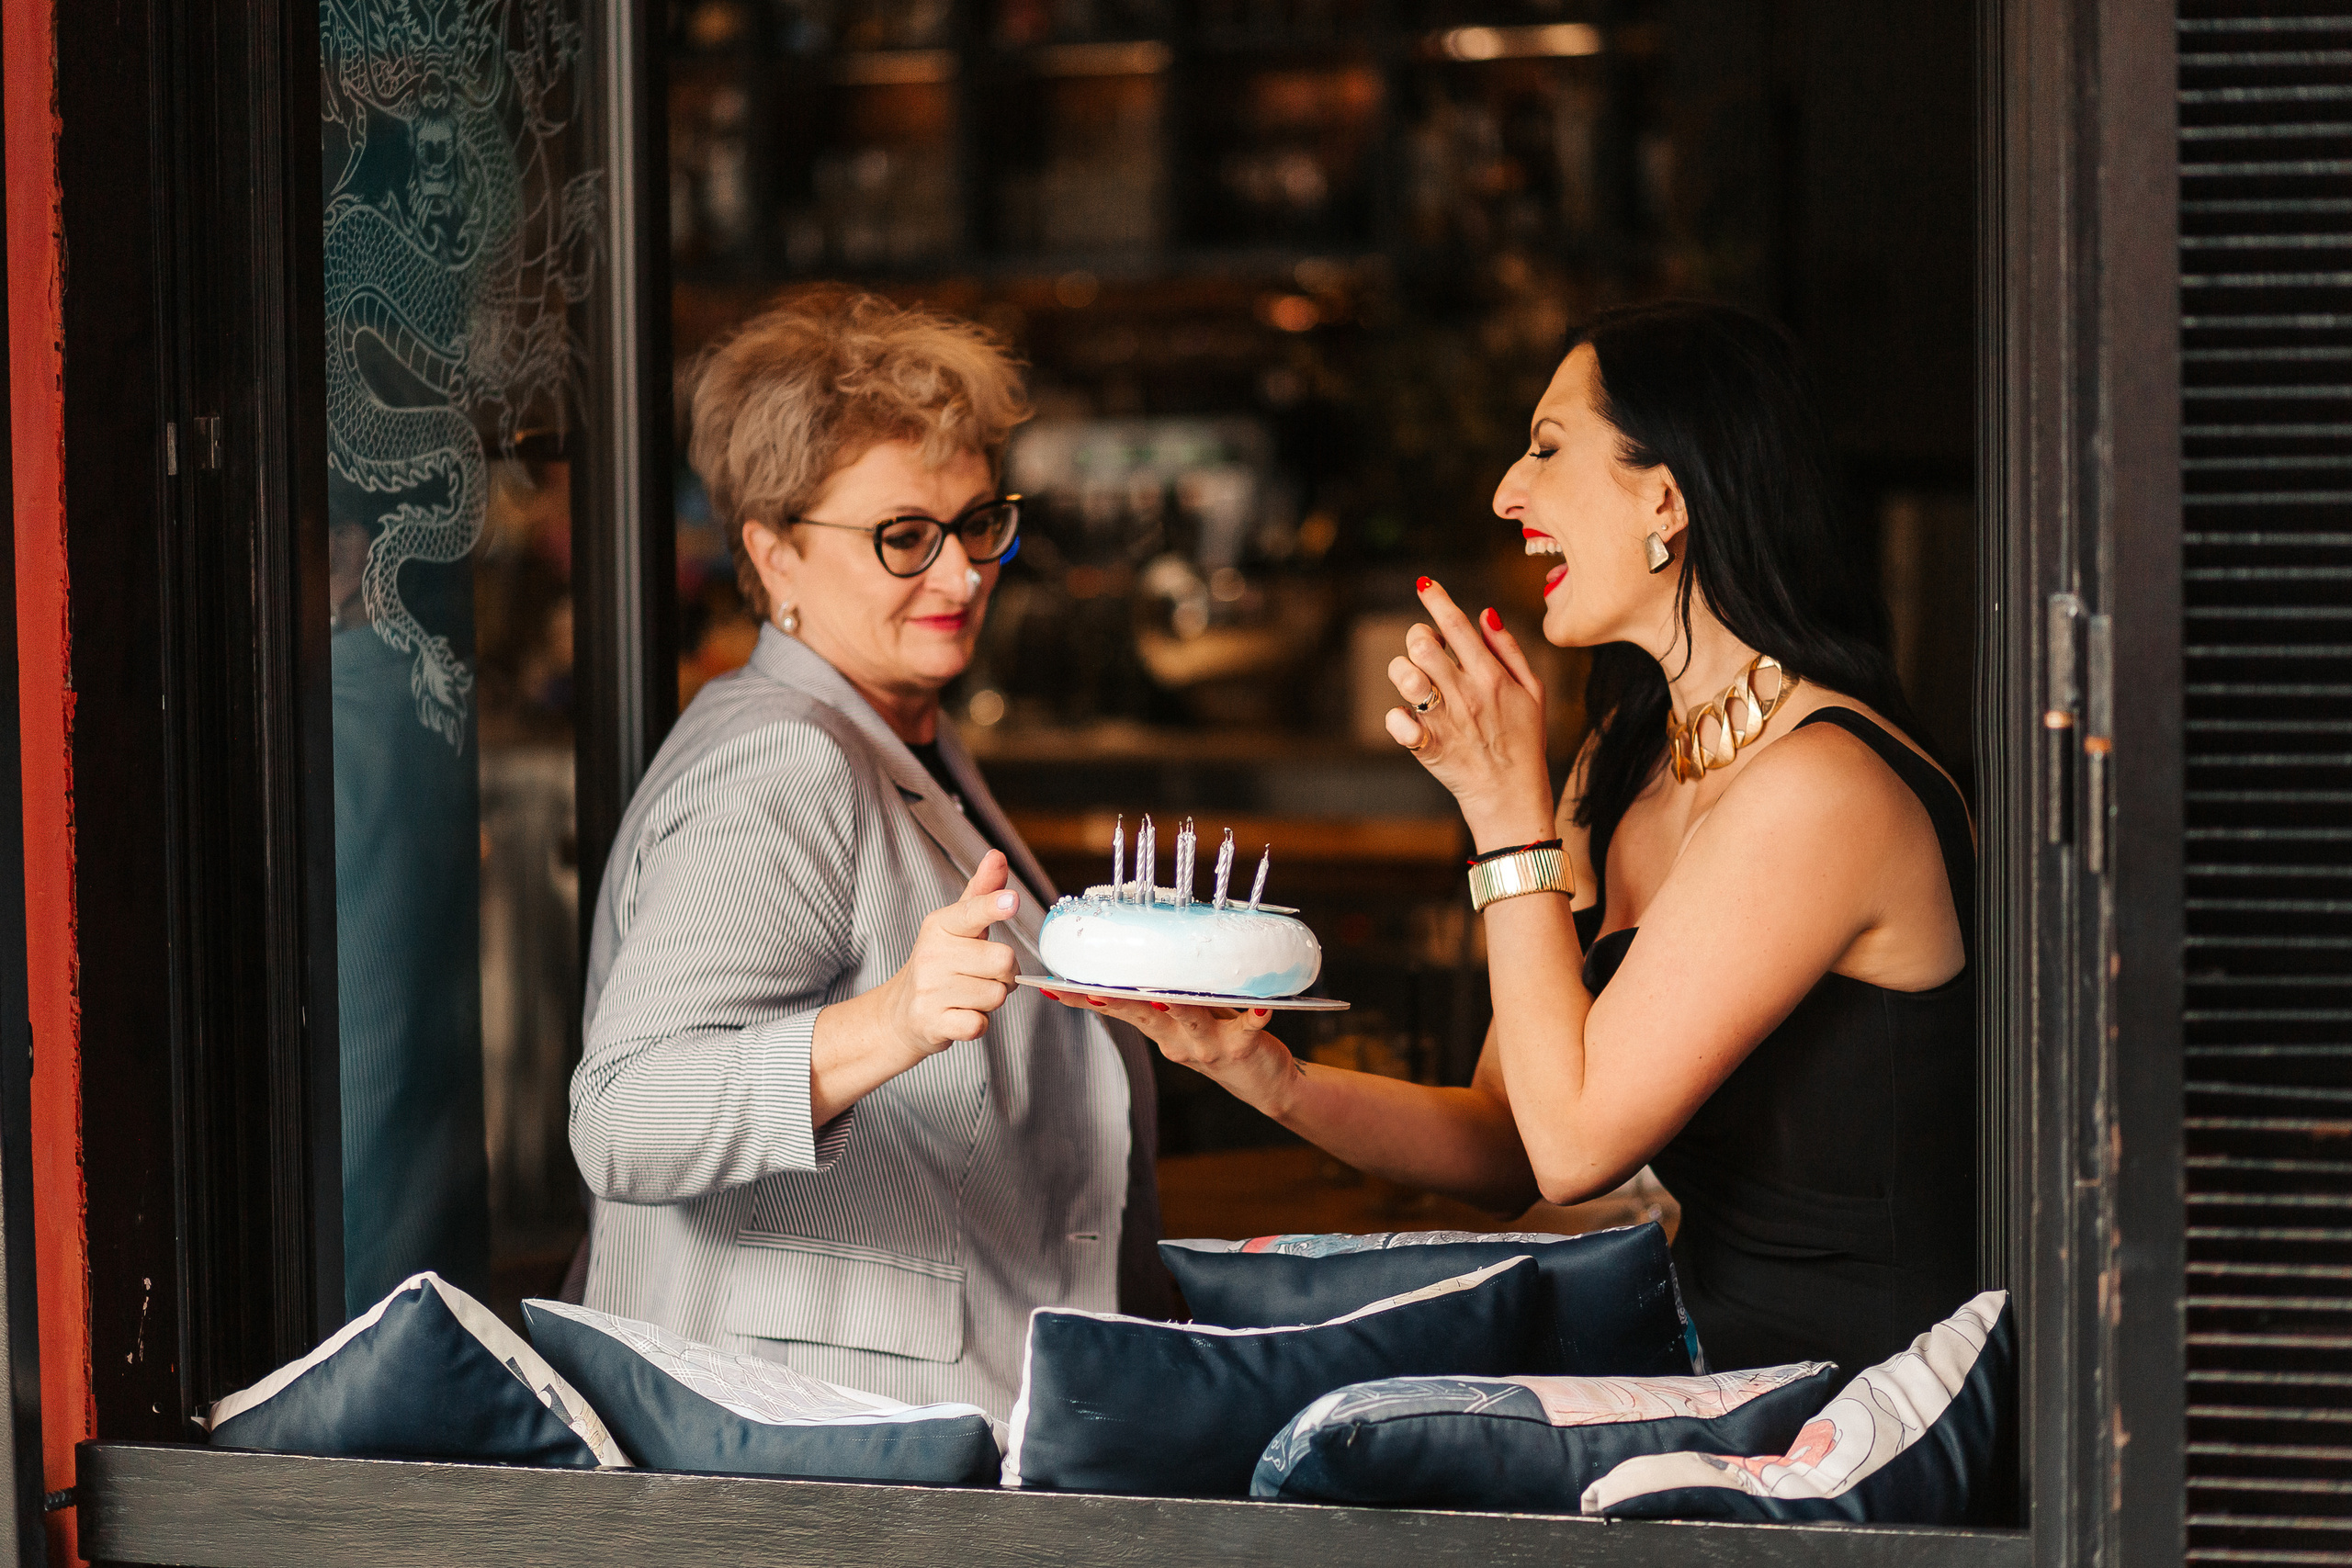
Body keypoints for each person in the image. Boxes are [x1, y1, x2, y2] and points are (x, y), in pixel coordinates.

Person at [1060, 299, 1974, 1377]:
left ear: (1666, 499)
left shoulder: (1823, 789)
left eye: (1546, 447)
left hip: (1850, 1415)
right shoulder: (1623, 763)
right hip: (1699, 1367)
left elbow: (1574, 1148)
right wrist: (1264, 1074)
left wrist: (1503, 813)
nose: (1507, 492)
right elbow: (1507, 1139)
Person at [571, 288, 1163, 1421]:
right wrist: (890, 1021)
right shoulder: (783, 763)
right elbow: (624, 1115)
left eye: (979, 522)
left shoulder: (907, 734)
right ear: (774, 553)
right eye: (904, 538)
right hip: (821, 1465)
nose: (961, 575)